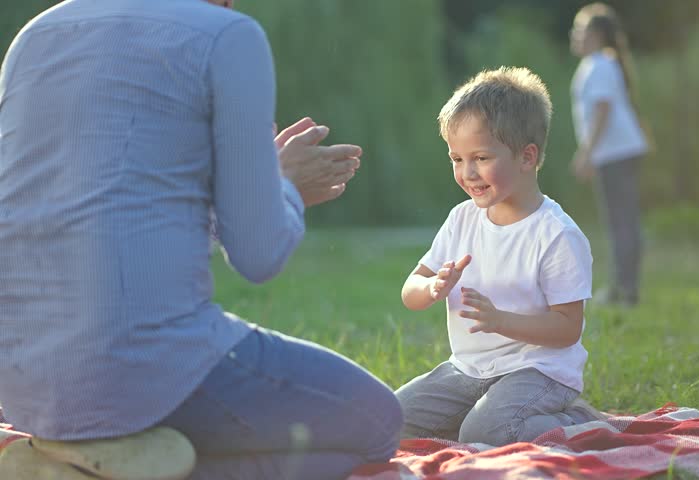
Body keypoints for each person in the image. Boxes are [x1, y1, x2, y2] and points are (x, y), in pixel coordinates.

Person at [0, 0, 402, 479]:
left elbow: (104, 223)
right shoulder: (227, 34)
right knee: (378, 424)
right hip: (137, 369)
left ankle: (80, 461)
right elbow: (258, 254)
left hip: (22, 382)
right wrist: (285, 188)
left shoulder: (36, 34)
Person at [395, 67, 603, 447]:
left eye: (480, 157)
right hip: (468, 370)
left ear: (526, 157)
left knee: (486, 432)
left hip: (539, 371)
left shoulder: (556, 234)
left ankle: (579, 420)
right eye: (456, 159)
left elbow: (567, 329)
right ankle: (484, 418)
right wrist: (432, 286)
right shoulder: (461, 219)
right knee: (389, 420)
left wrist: (499, 320)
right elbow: (411, 290)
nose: (467, 172)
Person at [570, 2, 649, 306]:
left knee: (622, 221)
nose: (575, 36)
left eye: (580, 30)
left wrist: (586, 153)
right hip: (615, 152)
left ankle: (626, 289)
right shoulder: (596, 64)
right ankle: (620, 286)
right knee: (618, 221)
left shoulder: (600, 65)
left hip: (616, 152)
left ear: (597, 35)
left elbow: (602, 110)